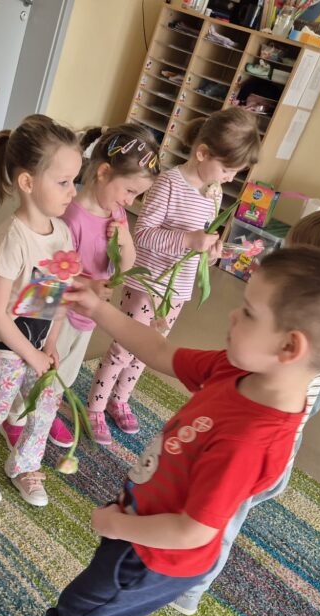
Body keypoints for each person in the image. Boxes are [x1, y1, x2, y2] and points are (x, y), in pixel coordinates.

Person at [0, 247, 320, 616]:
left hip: (152, 554)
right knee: (119, 611)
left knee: (79, 613)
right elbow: (159, 351)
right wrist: (98, 308)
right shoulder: (241, 371)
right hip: (143, 529)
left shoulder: (250, 439)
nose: (232, 315)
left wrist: (113, 524)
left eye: (249, 312)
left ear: (289, 347)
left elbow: (193, 531)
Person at [169, 206, 320, 615]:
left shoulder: (318, 336)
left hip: (258, 445)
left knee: (220, 519)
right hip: (255, 433)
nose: (280, 260)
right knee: (208, 505)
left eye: (292, 255)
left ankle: (190, 589)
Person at [86, 109, 259, 442]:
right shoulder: (168, 183)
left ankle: (119, 400)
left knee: (150, 348)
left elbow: (200, 240)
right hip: (146, 283)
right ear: (202, 153)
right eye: (226, 169)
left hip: (176, 289)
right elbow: (144, 234)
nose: (229, 178)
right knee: (124, 348)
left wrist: (210, 251)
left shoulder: (214, 192)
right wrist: (187, 240)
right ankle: (95, 406)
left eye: (236, 172)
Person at [2, 123, 160, 449]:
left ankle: (44, 412)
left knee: (66, 373)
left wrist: (125, 239)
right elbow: (47, 274)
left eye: (136, 195)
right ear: (103, 173)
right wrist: (89, 283)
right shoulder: (70, 216)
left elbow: (127, 265)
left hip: (87, 314)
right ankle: (15, 417)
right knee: (40, 368)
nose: (131, 200)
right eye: (129, 191)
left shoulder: (116, 214)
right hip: (55, 314)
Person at [0, 115, 82, 508]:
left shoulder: (61, 232)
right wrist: (31, 353)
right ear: (28, 183)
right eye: (64, 182)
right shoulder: (13, 239)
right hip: (5, 346)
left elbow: (53, 294)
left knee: (44, 405)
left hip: (37, 342)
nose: (73, 192)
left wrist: (51, 342)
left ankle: (24, 464)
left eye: (74, 181)